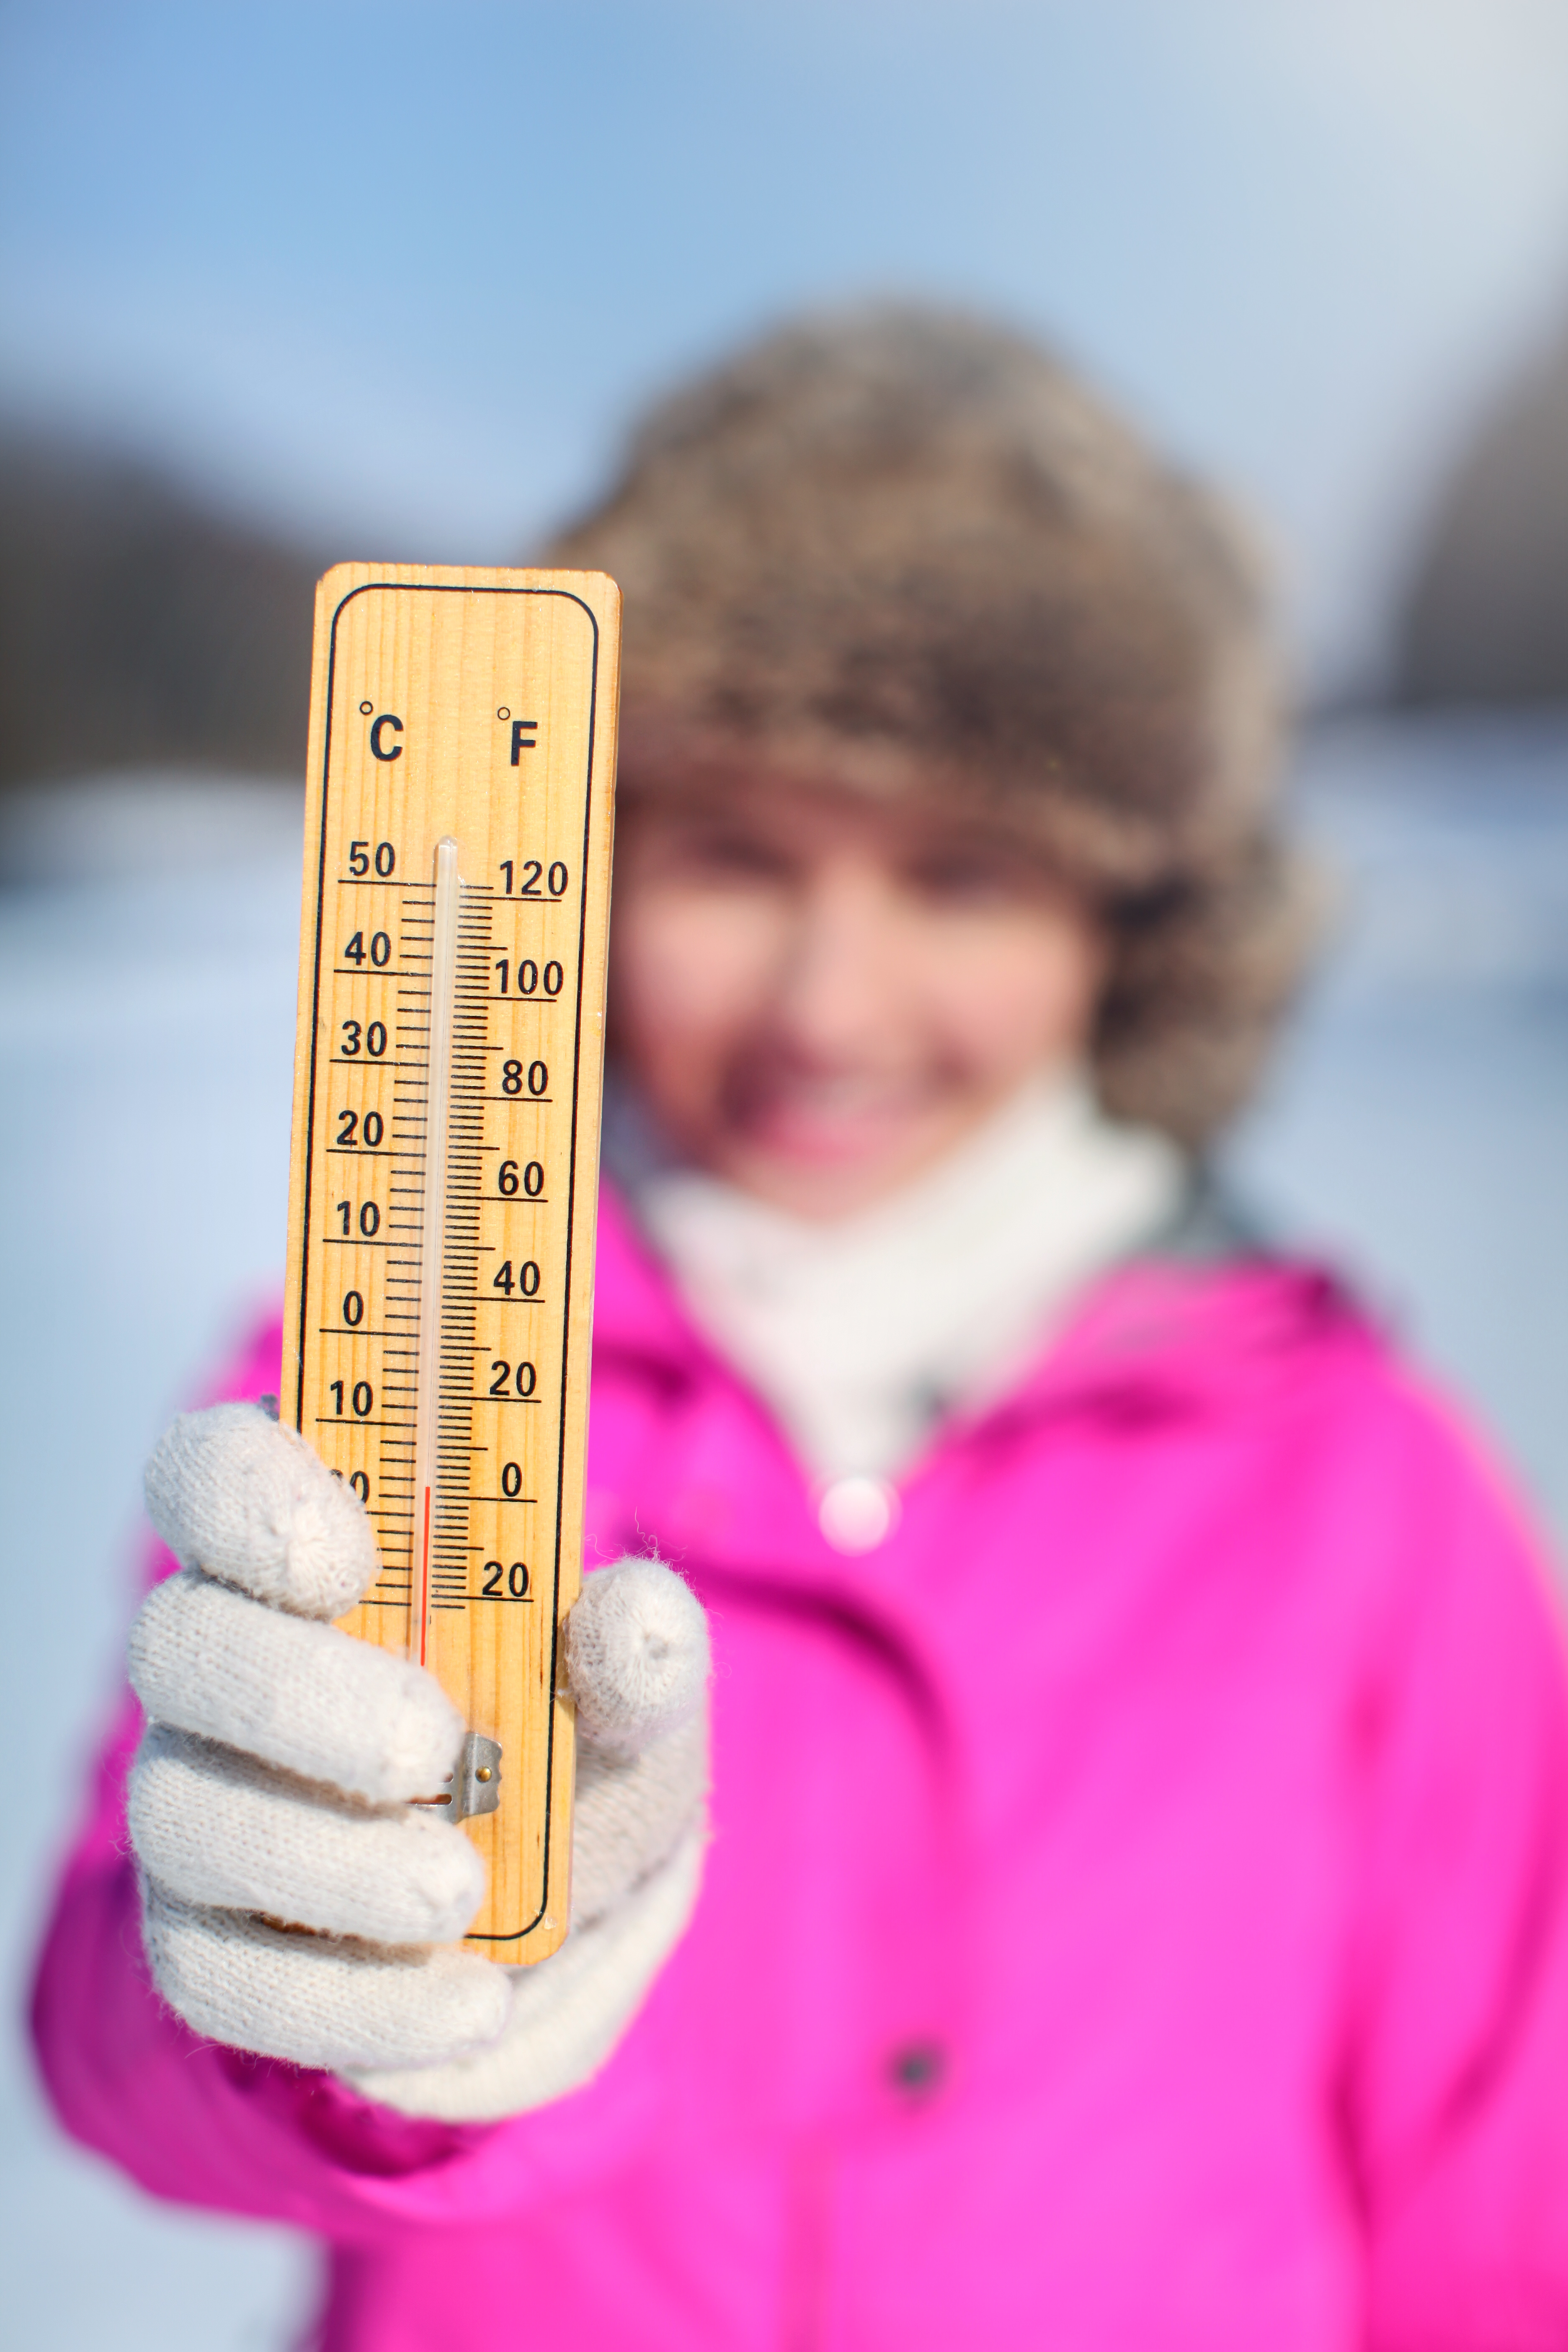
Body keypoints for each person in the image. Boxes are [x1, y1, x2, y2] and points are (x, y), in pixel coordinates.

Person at [31, 307, 1568, 2349]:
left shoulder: (1360, 1487)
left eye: (964, 877)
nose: (831, 1005)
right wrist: (302, 2008)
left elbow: (1502, 2206)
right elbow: (112, 2042)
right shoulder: (363, 1397)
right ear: (589, 872)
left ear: (1133, 937)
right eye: (738, 857)